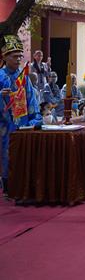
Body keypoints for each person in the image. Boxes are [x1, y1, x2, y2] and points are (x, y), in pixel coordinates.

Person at [0, 36, 42, 193]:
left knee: (23, 156)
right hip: (4, 125)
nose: (18, 59)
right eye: (14, 56)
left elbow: (31, 99)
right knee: (6, 155)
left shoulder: (23, 77)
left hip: (23, 124)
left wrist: (35, 117)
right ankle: (7, 185)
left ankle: (23, 187)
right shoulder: (0, 76)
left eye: (20, 56)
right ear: (4, 57)